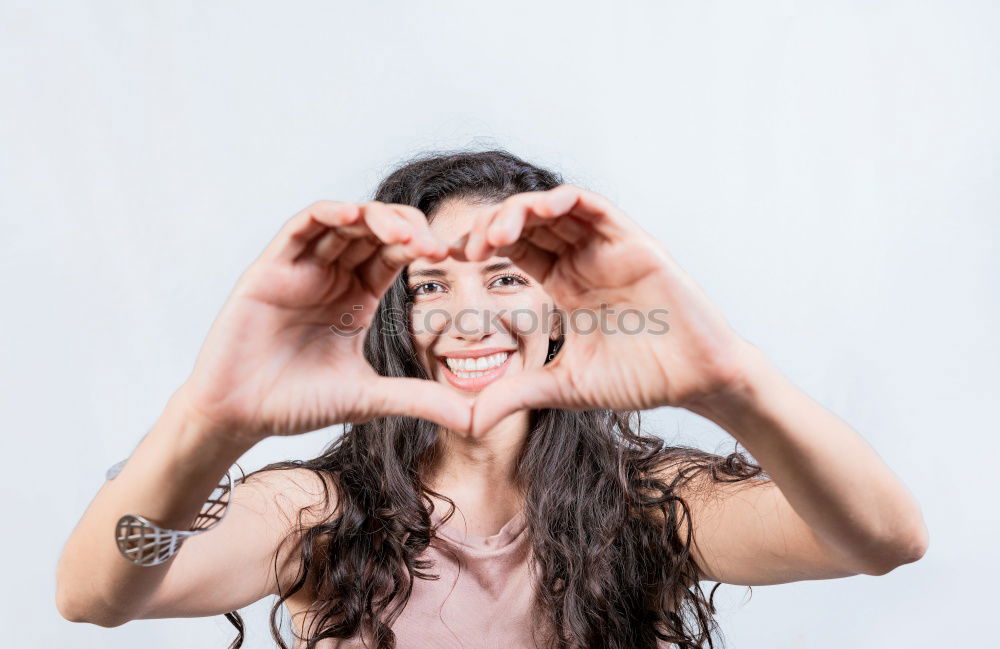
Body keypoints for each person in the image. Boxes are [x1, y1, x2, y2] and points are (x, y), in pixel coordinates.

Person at [56, 150, 929, 649]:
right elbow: (98, 591)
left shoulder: (649, 506)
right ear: (395, 311)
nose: (469, 318)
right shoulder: (314, 510)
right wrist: (205, 422)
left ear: (562, 300)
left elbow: (881, 537)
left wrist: (735, 384)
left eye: (507, 276)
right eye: (429, 285)